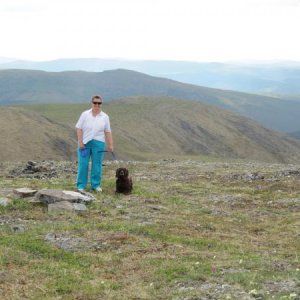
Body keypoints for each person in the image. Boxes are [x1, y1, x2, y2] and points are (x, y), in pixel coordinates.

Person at [75, 95, 113, 192]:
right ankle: (81, 186)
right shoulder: (84, 114)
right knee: (83, 164)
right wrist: (80, 142)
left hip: (99, 143)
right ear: (92, 103)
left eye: (99, 103)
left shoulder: (105, 117)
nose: (97, 105)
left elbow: (108, 131)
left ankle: (96, 185)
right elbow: (79, 128)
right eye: (95, 102)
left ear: (101, 104)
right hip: (85, 143)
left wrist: (110, 144)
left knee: (97, 165)